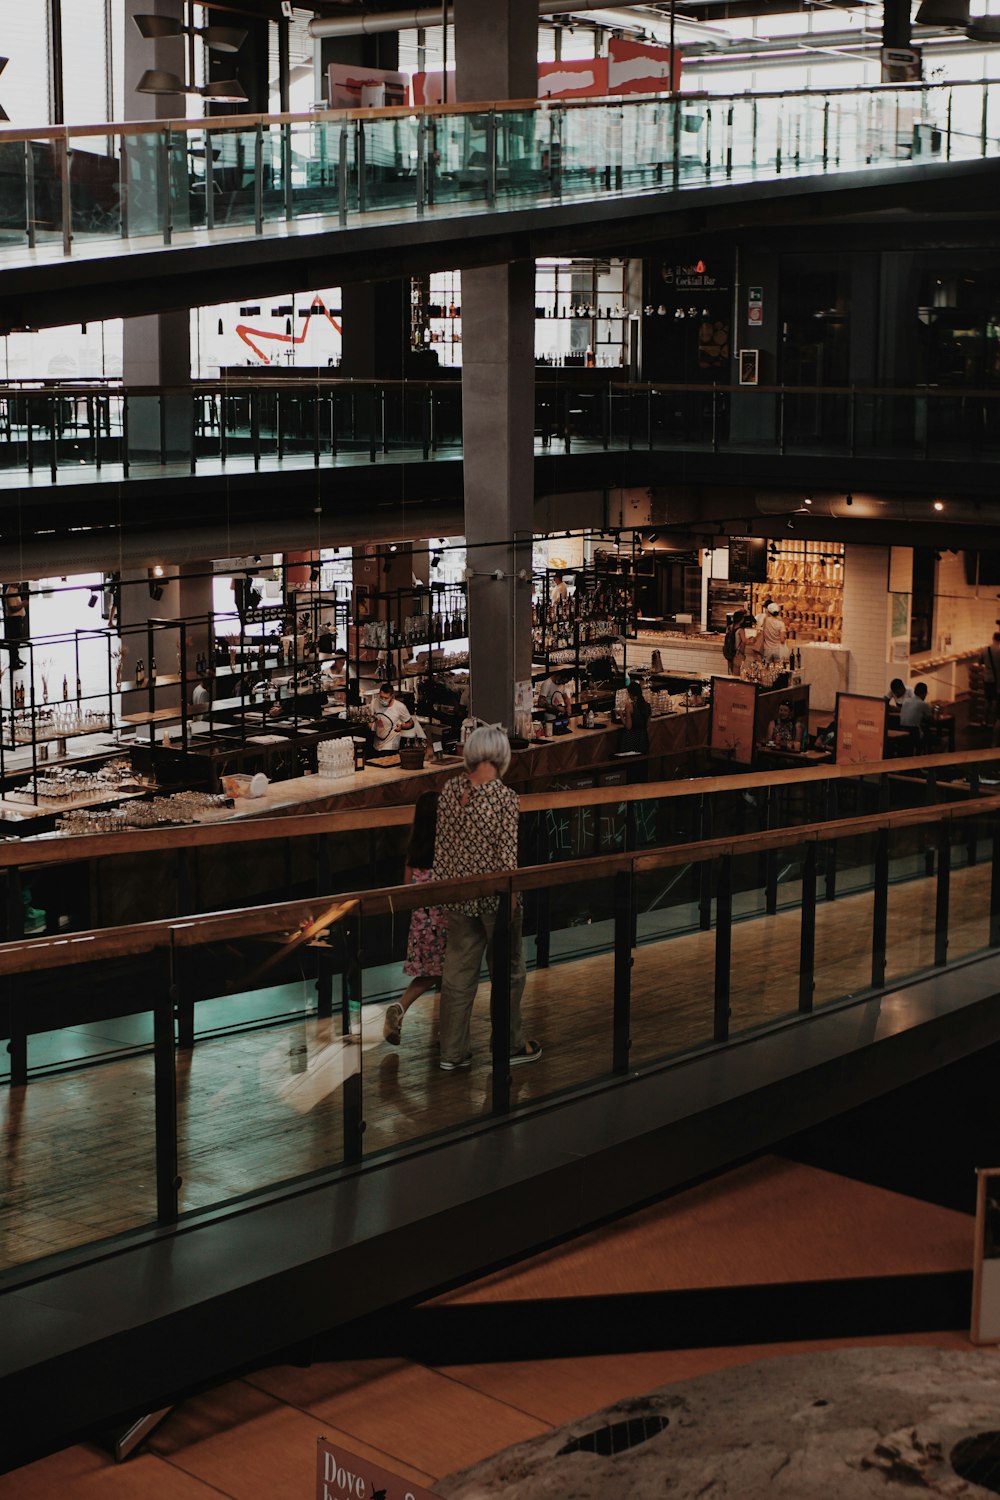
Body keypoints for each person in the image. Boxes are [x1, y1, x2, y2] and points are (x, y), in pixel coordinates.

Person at [433, 725, 542, 1072]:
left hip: (459, 895)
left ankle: (452, 1052)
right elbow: (507, 859)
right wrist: (511, 906)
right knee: (509, 973)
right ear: (501, 756)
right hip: (497, 899)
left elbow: (444, 848)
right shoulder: (505, 798)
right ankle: (509, 1043)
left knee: (458, 974)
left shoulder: (450, 790)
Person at [383, 792, 448, 1046]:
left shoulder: (413, 851)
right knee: (449, 973)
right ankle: (447, 1029)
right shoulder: (446, 850)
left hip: (421, 921)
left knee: (433, 973)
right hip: (445, 920)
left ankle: (404, 1010)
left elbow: (406, 886)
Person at [371, 681, 414, 753]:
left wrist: (402, 727)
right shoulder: (374, 702)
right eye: (381, 697)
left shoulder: (400, 707)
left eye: (386, 698)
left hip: (391, 747)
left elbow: (411, 723)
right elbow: (371, 718)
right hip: (376, 745)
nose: (383, 700)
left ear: (392, 696)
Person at [900, 680, 933, 752]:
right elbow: (930, 720)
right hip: (914, 733)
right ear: (924, 693)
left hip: (902, 729)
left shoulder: (905, 701)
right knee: (929, 735)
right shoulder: (923, 704)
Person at [620, 678, 651, 753]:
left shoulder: (629, 706)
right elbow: (647, 724)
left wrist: (621, 715)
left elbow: (628, 726)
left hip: (631, 740)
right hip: (643, 739)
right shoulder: (647, 706)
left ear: (630, 694)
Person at [3, 582, 27, 671]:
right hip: (14, 620)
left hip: (16, 619)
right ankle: (14, 662)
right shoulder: (10, 592)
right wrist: (22, 604)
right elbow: (12, 608)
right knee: (14, 642)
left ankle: (16, 658)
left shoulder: (15, 590)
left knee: (16, 641)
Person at [982, 634, 1000, 725]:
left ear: (993, 638)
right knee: (995, 701)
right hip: (996, 680)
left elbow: (980, 661)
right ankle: (993, 721)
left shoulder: (986, 649)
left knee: (987, 700)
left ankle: (984, 720)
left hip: (987, 678)